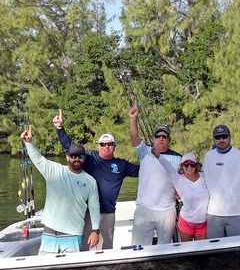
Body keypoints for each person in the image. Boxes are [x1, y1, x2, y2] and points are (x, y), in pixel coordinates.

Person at [53, 110, 140, 250]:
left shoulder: (122, 164)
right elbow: (69, 146)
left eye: (109, 144)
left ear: (114, 146)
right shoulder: (89, 157)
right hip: (87, 212)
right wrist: (59, 128)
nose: (106, 147)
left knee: (106, 248)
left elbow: (144, 170)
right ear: (98, 146)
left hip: (108, 213)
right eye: (103, 144)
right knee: (84, 248)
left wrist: (154, 157)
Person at [21, 124, 100, 254]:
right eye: (73, 156)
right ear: (67, 157)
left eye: (80, 156)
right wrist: (29, 142)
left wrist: (95, 230)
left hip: (73, 234)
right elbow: (38, 159)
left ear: (84, 158)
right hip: (49, 232)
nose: (77, 159)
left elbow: (94, 206)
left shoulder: (91, 181)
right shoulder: (54, 170)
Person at [129, 104, 181, 246]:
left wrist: (180, 193)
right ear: (153, 138)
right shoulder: (145, 151)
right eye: (158, 136)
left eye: (165, 136)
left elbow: (185, 181)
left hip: (167, 210)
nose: (161, 138)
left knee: (165, 247)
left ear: (169, 140)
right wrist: (133, 118)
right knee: (138, 247)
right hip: (144, 209)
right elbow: (134, 138)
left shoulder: (179, 158)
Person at [203, 124, 240, 238]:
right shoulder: (208, 156)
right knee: (215, 251)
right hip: (214, 214)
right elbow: (203, 179)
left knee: (239, 250)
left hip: (237, 213)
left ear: (230, 137)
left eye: (224, 136)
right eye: (218, 138)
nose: (221, 140)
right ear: (214, 139)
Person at [154, 151, 209, 241]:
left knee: (201, 252)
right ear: (182, 166)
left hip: (203, 223)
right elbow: (167, 166)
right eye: (186, 164)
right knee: (187, 251)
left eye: (192, 164)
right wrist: (158, 155)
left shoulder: (205, 177)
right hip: (186, 222)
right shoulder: (178, 180)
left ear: (196, 165)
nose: (189, 167)